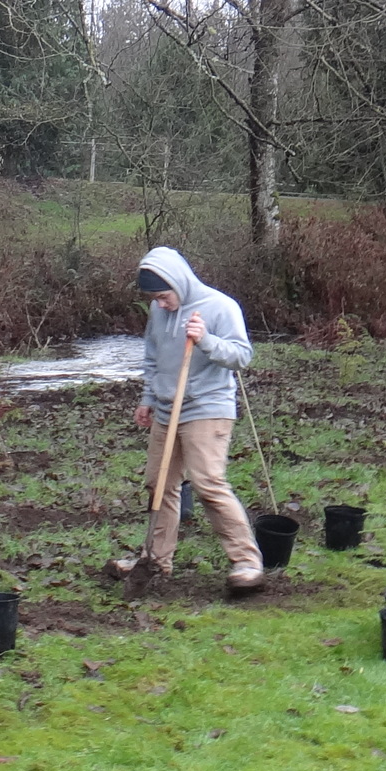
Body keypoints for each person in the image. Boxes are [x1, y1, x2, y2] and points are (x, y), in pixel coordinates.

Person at [120, 244, 263, 592]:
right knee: (159, 485)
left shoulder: (220, 307)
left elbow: (242, 356)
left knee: (208, 484)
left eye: (164, 296)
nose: (161, 304)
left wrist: (206, 341)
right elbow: (153, 357)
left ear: (179, 282)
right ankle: (155, 560)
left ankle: (246, 562)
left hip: (207, 408)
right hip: (167, 409)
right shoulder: (158, 311)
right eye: (154, 298)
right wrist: (148, 398)